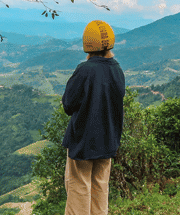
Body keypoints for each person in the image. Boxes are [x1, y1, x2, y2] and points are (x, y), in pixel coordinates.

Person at [61, 20, 125, 215]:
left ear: (87, 44)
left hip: (83, 141)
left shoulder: (85, 70)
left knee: (79, 188)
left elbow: (68, 104)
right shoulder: (117, 70)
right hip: (108, 141)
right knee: (100, 188)